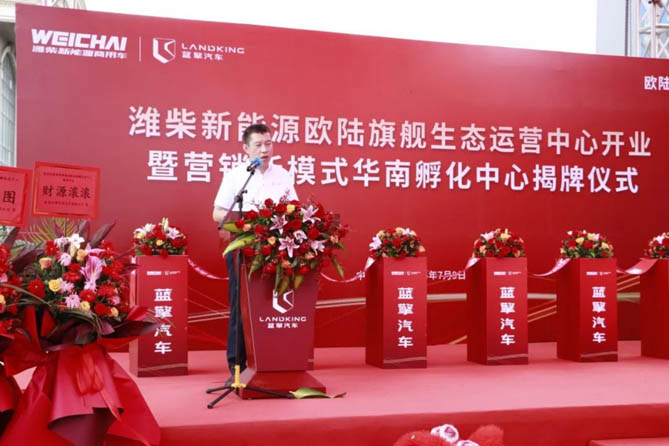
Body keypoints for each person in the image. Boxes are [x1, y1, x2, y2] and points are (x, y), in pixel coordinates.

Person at [212, 123, 298, 382]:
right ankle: (237, 368)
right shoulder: (236, 176)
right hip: (244, 248)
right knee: (241, 306)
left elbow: (294, 209)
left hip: (277, 251)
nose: (265, 149)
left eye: (268, 143)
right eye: (258, 145)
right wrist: (247, 223)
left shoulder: (283, 174)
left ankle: (275, 363)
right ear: (246, 149)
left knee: (274, 306)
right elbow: (218, 213)